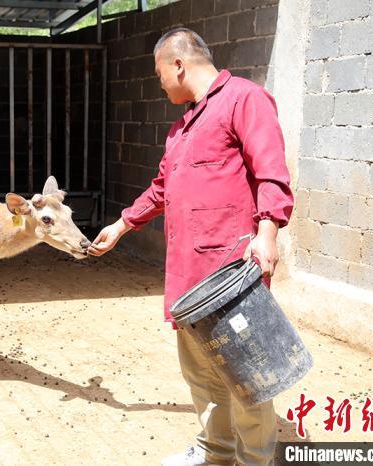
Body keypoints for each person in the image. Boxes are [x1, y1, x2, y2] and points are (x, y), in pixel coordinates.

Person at [88, 28, 294, 466]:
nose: (159, 81)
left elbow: (271, 170)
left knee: (245, 374)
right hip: (186, 276)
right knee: (200, 372)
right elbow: (162, 189)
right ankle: (216, 450)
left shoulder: (244, 99)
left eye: (159, 72)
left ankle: (255, 458)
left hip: (230, 275)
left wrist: (268, 232)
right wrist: (122, 225)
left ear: (178, 64)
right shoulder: (181, 128)